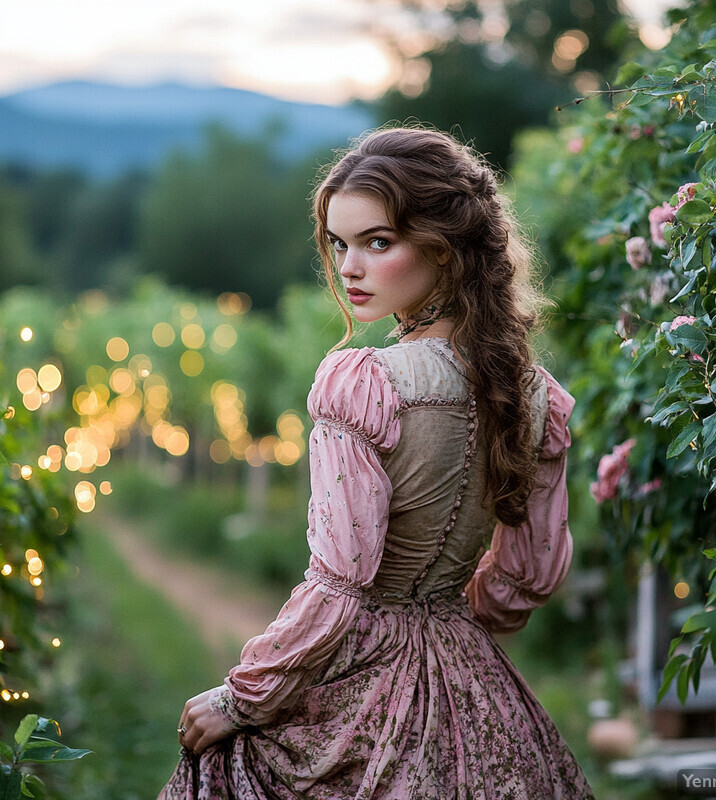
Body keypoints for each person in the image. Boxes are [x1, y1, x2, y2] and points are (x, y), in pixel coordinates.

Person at [158, 125, 595, 799]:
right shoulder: (533, 393)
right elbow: (521, 576)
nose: (349, 268)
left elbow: (341, 584)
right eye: (339, 244)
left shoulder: (364, 383)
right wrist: (445, 624)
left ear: (443, 249)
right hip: (473, 676)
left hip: (362, 676)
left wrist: (244, 700)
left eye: (377, 242)